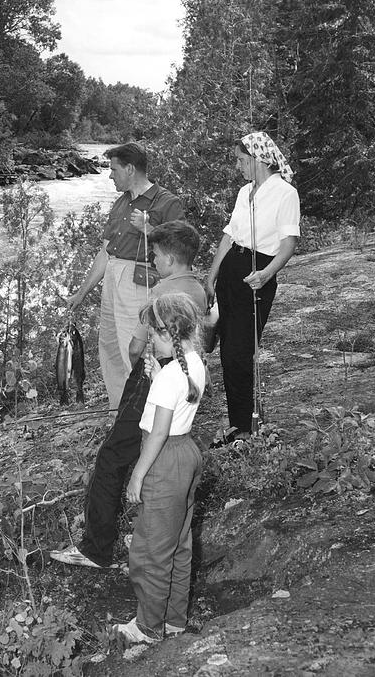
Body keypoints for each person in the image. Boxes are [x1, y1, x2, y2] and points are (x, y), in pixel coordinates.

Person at [51, 221, 206, 569]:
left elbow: (138, 344)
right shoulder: (199, 288)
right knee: (149, 446)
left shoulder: (162, 295)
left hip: (152, 377)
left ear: (168, 258)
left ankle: (97, 549)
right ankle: (142, 525)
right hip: (177, 371)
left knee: (110, 458)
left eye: (154, 254)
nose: (151, 260)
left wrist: (140, 371)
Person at [113, 292, 205, 645]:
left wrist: (138, 474)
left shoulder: (169, 377)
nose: (149, 339)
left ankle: (148, 627)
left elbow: (160, 429)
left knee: (150, 549)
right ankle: (174, 620)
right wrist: (158, 377)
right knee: (179, 543)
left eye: (153, 333)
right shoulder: (193, 363)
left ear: (168, 333)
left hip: (163, 458)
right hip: (187, 454)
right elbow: (179, 403)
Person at [68, 143, 183, 413]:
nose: (110, 176)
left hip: (139, 281)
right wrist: (81, 293)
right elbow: (105, 252)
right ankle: (120, 411)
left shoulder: (167, 202)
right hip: (112, 277)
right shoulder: (121, 203)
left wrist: (149, 228)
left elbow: (180, 251)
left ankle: (150, 410)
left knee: (134, 348)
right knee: (109, 347)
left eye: (114, 169)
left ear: (130, 169)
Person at [205, 132, 300, 442]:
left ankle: (246, 430)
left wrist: (267, 273)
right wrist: (211, 276)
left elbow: (289, 243)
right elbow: (229, 236)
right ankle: (240, 425)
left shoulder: (285, 193)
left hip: (256, 275)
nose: (239, 166)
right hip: (232, 269)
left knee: (239, 353)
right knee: (226, 353)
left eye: (242, 160)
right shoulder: (245, 191)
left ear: (260, 159)